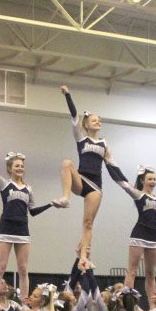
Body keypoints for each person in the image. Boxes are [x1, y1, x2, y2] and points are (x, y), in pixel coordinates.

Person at [0, 153, 52, 299]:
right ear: (10, 169)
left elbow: (32, 211)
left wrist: (51, 204)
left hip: (22, 230)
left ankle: (24, 302)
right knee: (1, 267)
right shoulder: (4, 184)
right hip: (6, 228)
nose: (20, 168)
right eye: (17, 166)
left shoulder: (28, 189)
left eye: (22, 166)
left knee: (23, 269)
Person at [51, 85, 113, 265]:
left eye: (99, 120)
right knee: (66, 163)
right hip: (81, 179)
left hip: (95, 186)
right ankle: (65, 197)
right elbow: (73, 116)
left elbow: (112, 166)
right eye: (94, 120)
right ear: (86, 124)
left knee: (88, 223)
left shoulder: (104, 144)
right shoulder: (81, 138)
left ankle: (84, 256)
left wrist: (123, 182)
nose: (98, 122)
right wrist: (68, 95)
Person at [106, 163, 156, 301]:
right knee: (132, 271)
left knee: (151, 274)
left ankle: (152, 306)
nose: (153, 182)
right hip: (139, 236)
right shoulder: (139, 195)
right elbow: (121, 181)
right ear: (142, 181)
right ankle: (128, 303)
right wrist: (108, 163)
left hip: (153, 239)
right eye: (150, 179)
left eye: (154, 179)